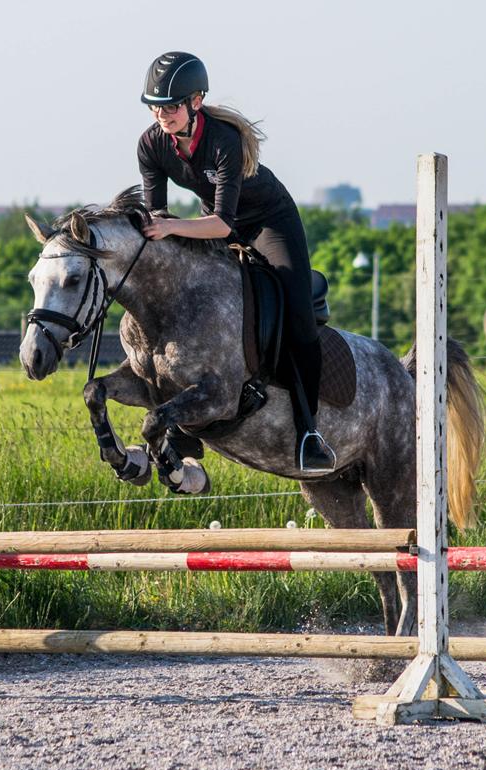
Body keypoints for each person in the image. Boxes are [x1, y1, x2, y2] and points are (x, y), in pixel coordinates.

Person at [136, 51, 336, 472]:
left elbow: (223, 225)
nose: (161, 115)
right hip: (212, 224)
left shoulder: (223, 139)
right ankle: (186, 427)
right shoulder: (152, 144)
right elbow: (157, 217)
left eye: (170, 106)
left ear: (195, 101)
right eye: (155, 106)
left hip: (268, 223)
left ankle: (310, 432)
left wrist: (171, 229)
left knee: (299, 316)